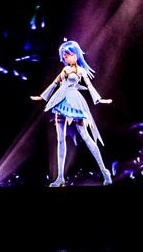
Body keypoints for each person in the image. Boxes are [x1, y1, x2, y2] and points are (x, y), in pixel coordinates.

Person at [31, 39, 113, 186]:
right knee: (60, 140)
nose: (66, 57)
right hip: (60, 102)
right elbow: (54, 84)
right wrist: (42, 97)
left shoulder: (81, 71)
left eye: (68, 54)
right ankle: (60, 177)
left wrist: (99, 99)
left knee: (86, 137)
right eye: (64, 55)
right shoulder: (64, 70)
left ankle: (104, 171)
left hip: (74, 103)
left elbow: (89, 86)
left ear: (75, 54)